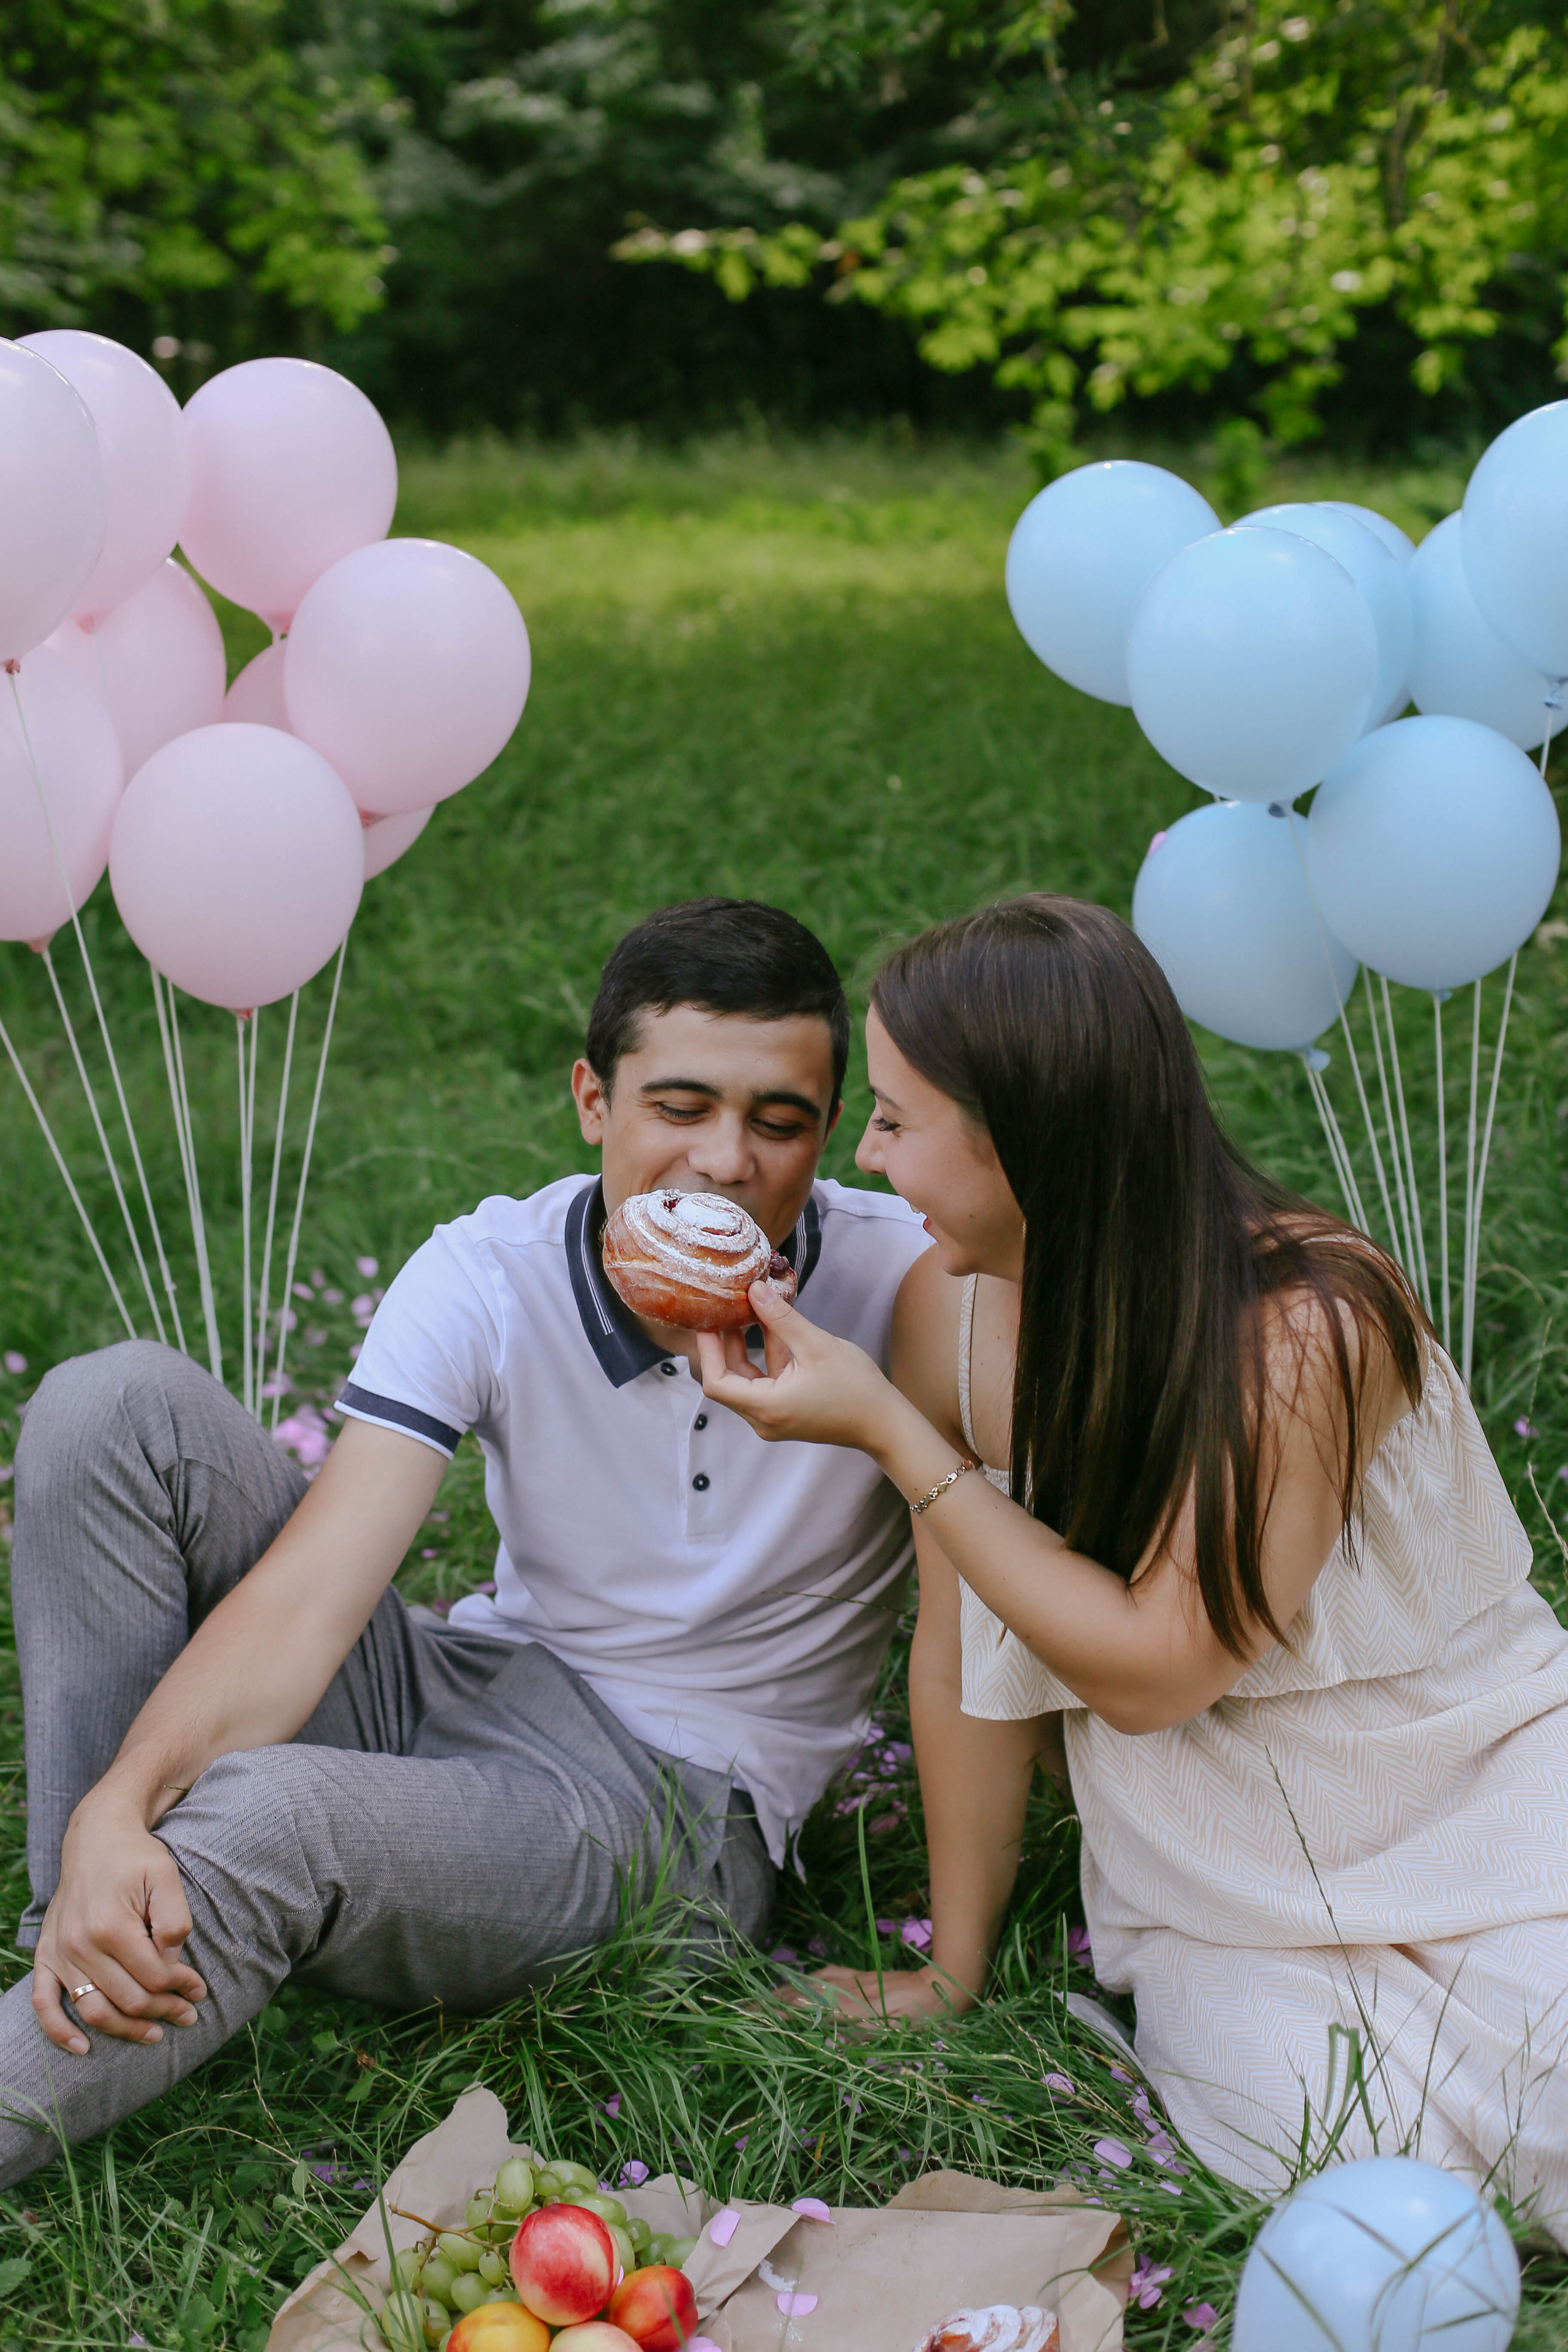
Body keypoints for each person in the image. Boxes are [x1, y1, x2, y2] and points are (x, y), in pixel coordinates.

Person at [0, 896, 929, 2187]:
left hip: (666, 1809)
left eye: (777, 1122)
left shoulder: (910, 1289)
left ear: (826, 1133)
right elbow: (314, 1595)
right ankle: (90, 1933)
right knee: (112, 1403)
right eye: (678, 1106)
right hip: (464, 1687)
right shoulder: (492, 1269)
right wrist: (118, 1800)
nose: (724, 1162)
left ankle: (86, 2004)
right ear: (591, 1100)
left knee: (273, 1815)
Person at [698, 892, 1568, 2236]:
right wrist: (954, 1965)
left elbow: (1159, 1670)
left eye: (893, 1115)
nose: (864, 1154)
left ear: (1018, 1143)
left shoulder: (1307, 1329)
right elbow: (959, 1649)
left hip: (1458, 1792)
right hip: (1211, 1871)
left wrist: (884, 1433)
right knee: (1327, 2173)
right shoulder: (954, 1325)